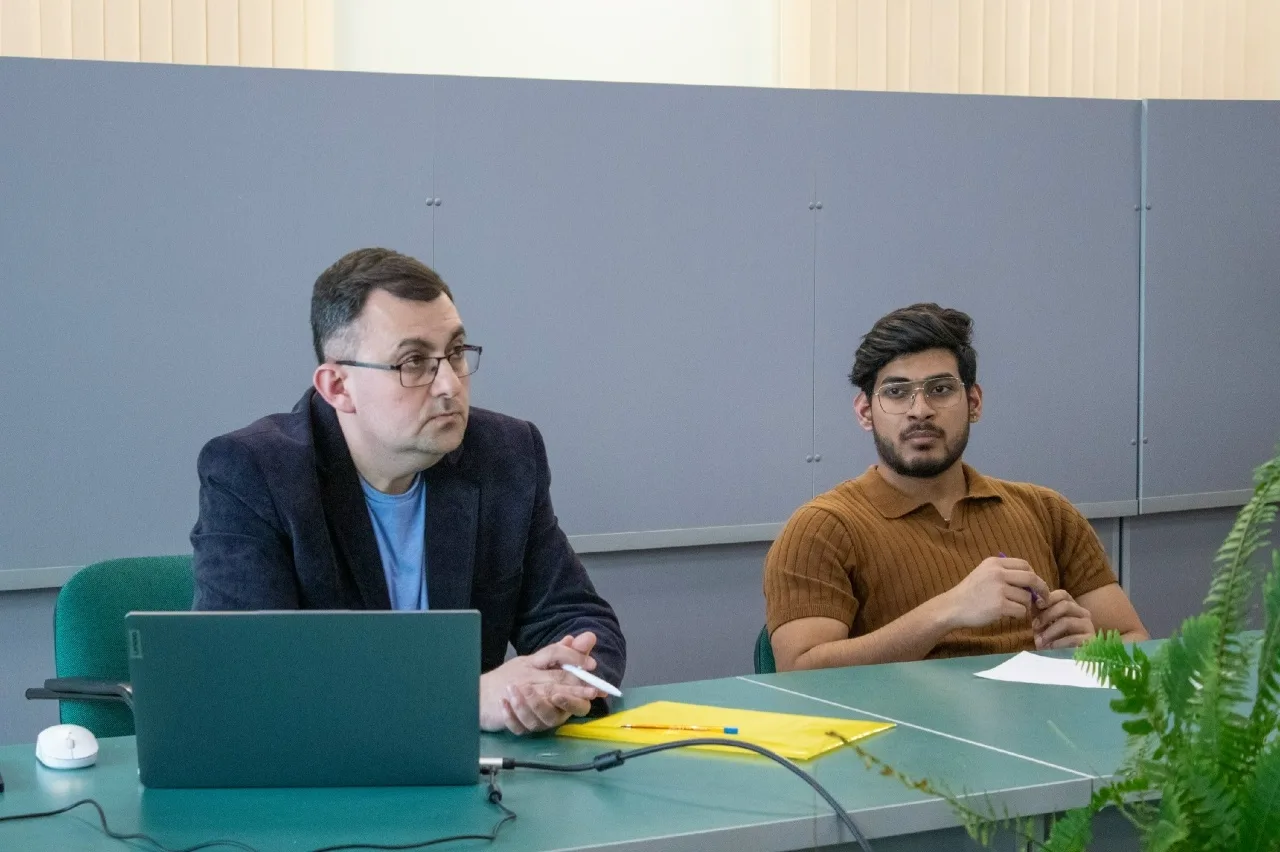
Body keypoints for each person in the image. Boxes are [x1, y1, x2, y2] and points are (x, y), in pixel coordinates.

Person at [191, 247, 625, 733]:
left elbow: (576, 617)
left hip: (479, 769)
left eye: (455, 353)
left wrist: (559, 683)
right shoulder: (253, 473)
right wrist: (461, 700)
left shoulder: (505, 454)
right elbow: (248, 678)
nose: (449, 385)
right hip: (323, 770)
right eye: (414, 362)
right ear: (338, 387)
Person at [764, 303, 1147, 671]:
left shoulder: (1047, 512)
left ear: (974, 403)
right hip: (905, 719)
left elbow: (1134, 639)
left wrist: (1092, 650)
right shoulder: (822, 529)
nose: (920, 410)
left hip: (1043, 712)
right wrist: (947, 611)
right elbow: (799, 670)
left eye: (941, 389)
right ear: (866, 412)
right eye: (896, 392)